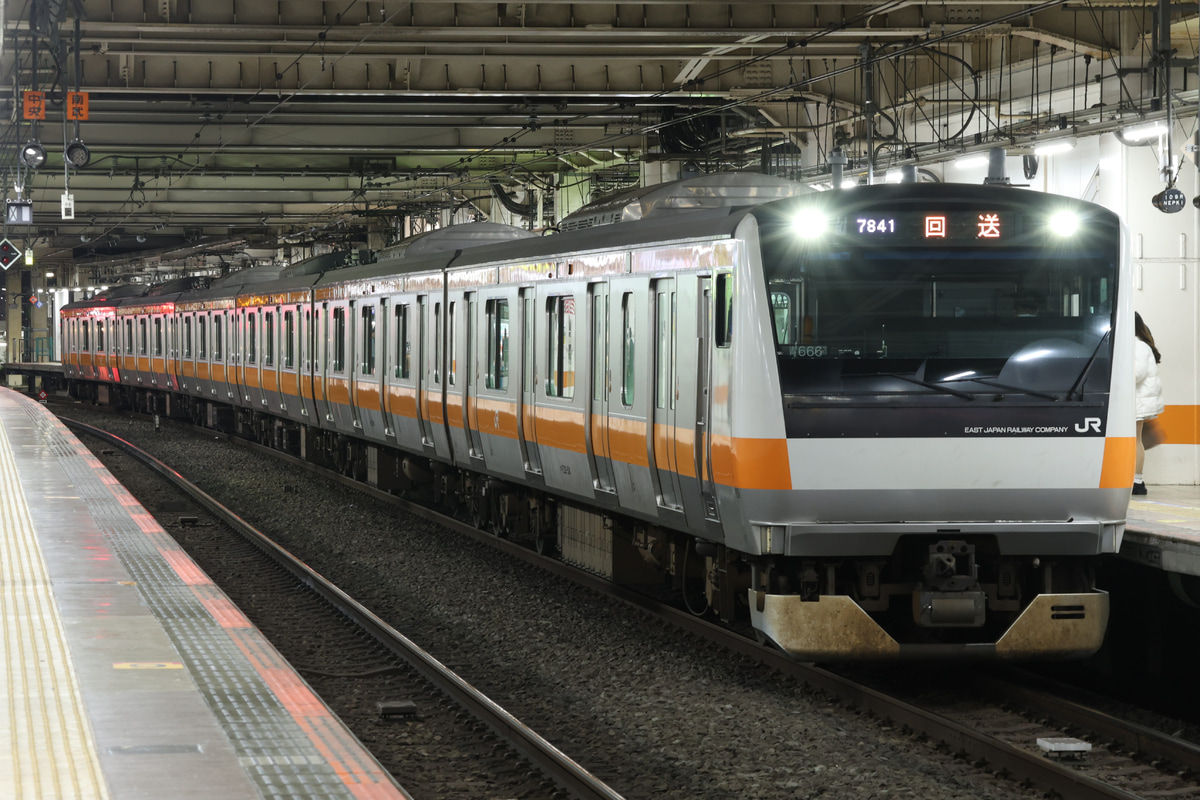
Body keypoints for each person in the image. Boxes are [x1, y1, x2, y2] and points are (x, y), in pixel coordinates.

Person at [1133, 312, 1164, 495]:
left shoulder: (1137, 345)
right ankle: (1135, 480)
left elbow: (1137, 373)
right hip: (1137, 400)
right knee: (1133, 441)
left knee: (1135, 441)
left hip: (1137, 401)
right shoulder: (1140, 345)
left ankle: (1137, 482)